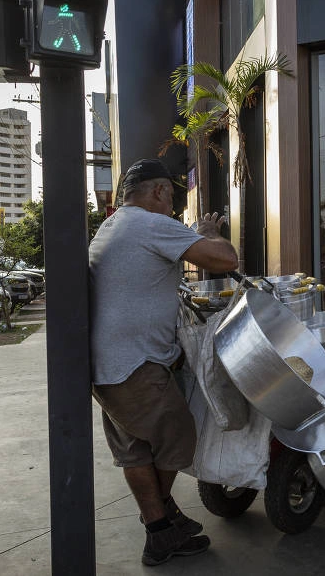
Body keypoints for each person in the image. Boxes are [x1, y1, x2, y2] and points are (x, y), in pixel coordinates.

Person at [88, 158, 238, 567]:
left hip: (106, 365)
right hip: (136, 364)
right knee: (178, 437)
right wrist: (207, 232)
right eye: (171, 197)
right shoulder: (148, 223)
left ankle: (161, 530)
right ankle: (161, 518)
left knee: (137, 450)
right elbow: (226, 260)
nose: (172, 207)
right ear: (157, 192)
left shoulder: (113, 224)